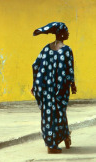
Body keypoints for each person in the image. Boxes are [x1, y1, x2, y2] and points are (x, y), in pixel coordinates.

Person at [31, 22, 77, 154]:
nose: (68, 33)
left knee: (48, 114)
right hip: (59, 88)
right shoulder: (67, 50)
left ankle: (63, 137)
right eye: (67, 31)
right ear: (61, 33)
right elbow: (70, 70)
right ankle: (53, 144)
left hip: (45, 88)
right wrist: (72, 85)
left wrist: (35, 84)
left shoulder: (46, 48)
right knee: (59, 113)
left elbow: (35, 65)